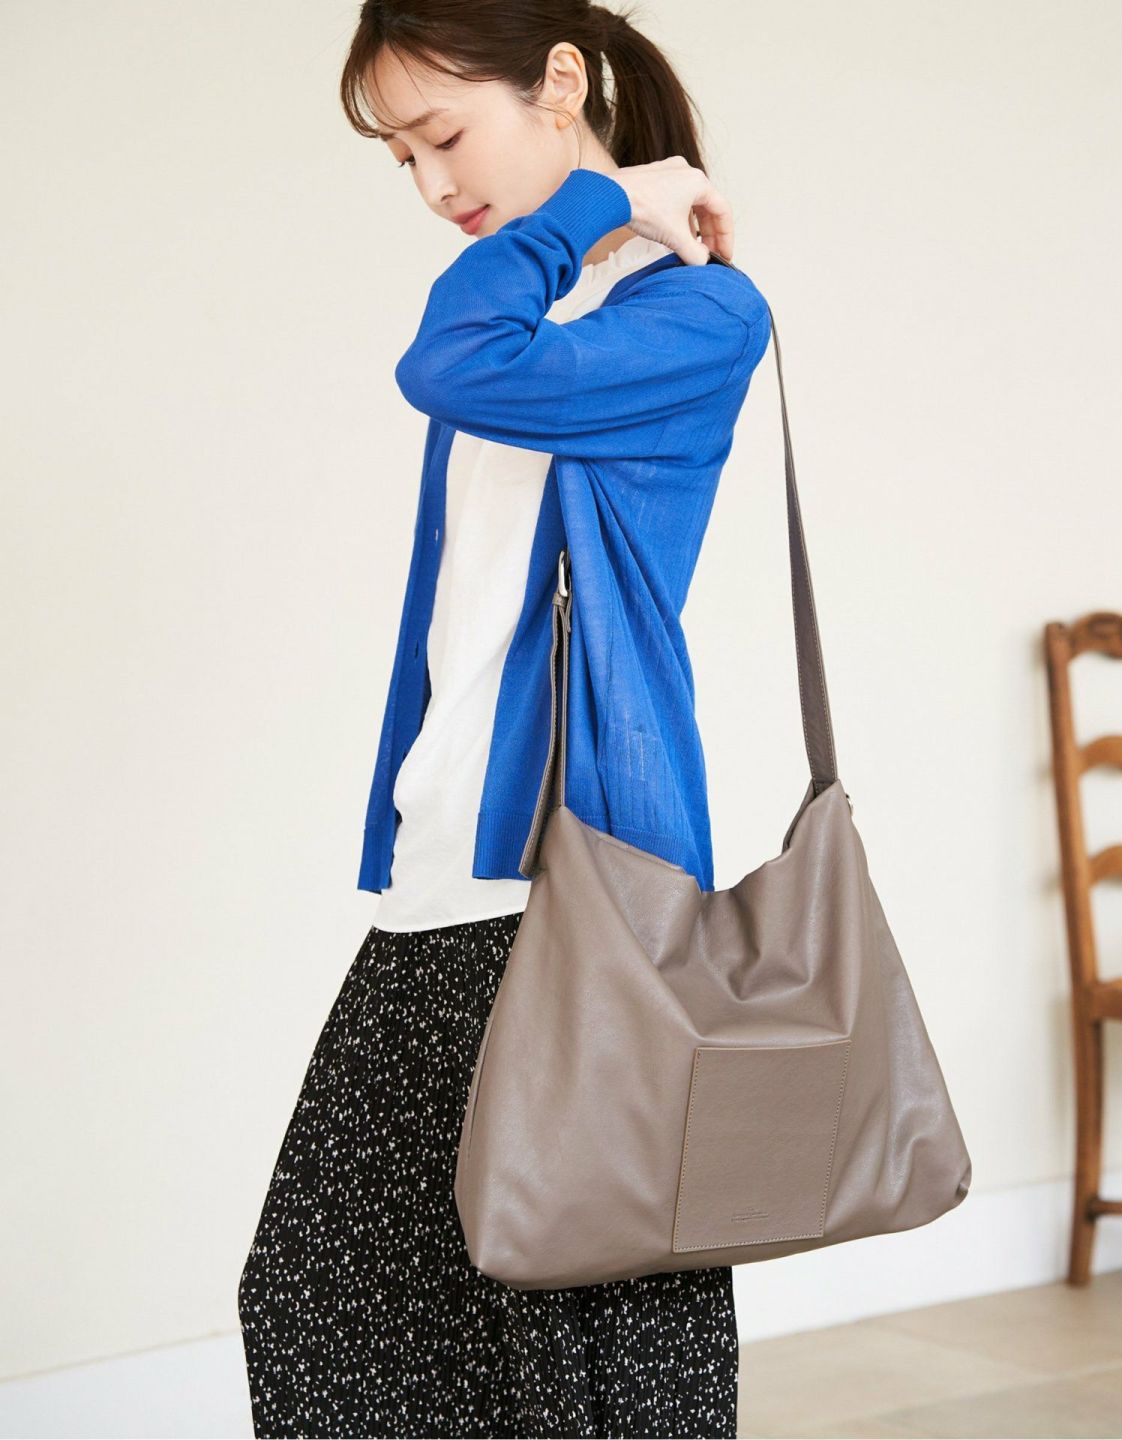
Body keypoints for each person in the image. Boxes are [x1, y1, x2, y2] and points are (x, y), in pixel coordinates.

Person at [237, 2, 772, 1435]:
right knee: (347, 1314)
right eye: (400, 160)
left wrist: (603, 204)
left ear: (559, 83)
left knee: (570, 1340)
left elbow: (451, 361)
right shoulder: (531, 309)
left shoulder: (696, 314)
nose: (432, 185)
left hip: (574, 883)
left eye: (443, 136)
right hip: (448, 872)